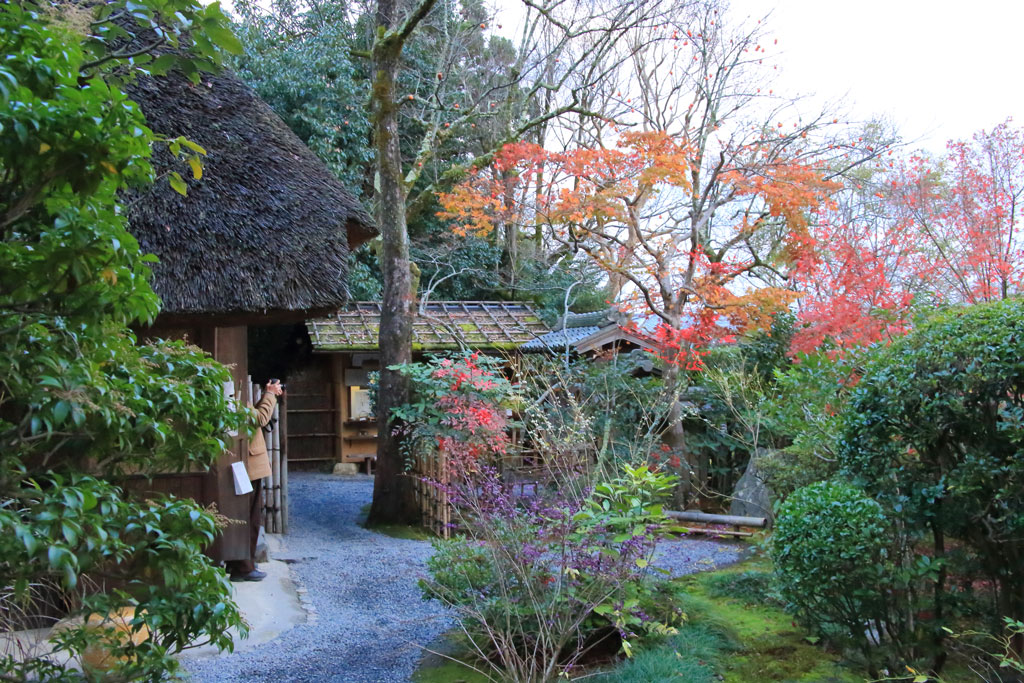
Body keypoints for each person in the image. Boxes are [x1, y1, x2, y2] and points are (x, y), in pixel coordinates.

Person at [226, 379, 283, 582]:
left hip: (243, 464)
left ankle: (239, 563)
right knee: (249, 517)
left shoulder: (231, 395)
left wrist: (266, 394)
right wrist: (271, 395)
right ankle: (244, 566)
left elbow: (252, 417)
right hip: (248, 465)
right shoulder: (235, 396)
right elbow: (260, 418)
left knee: (244, 516)